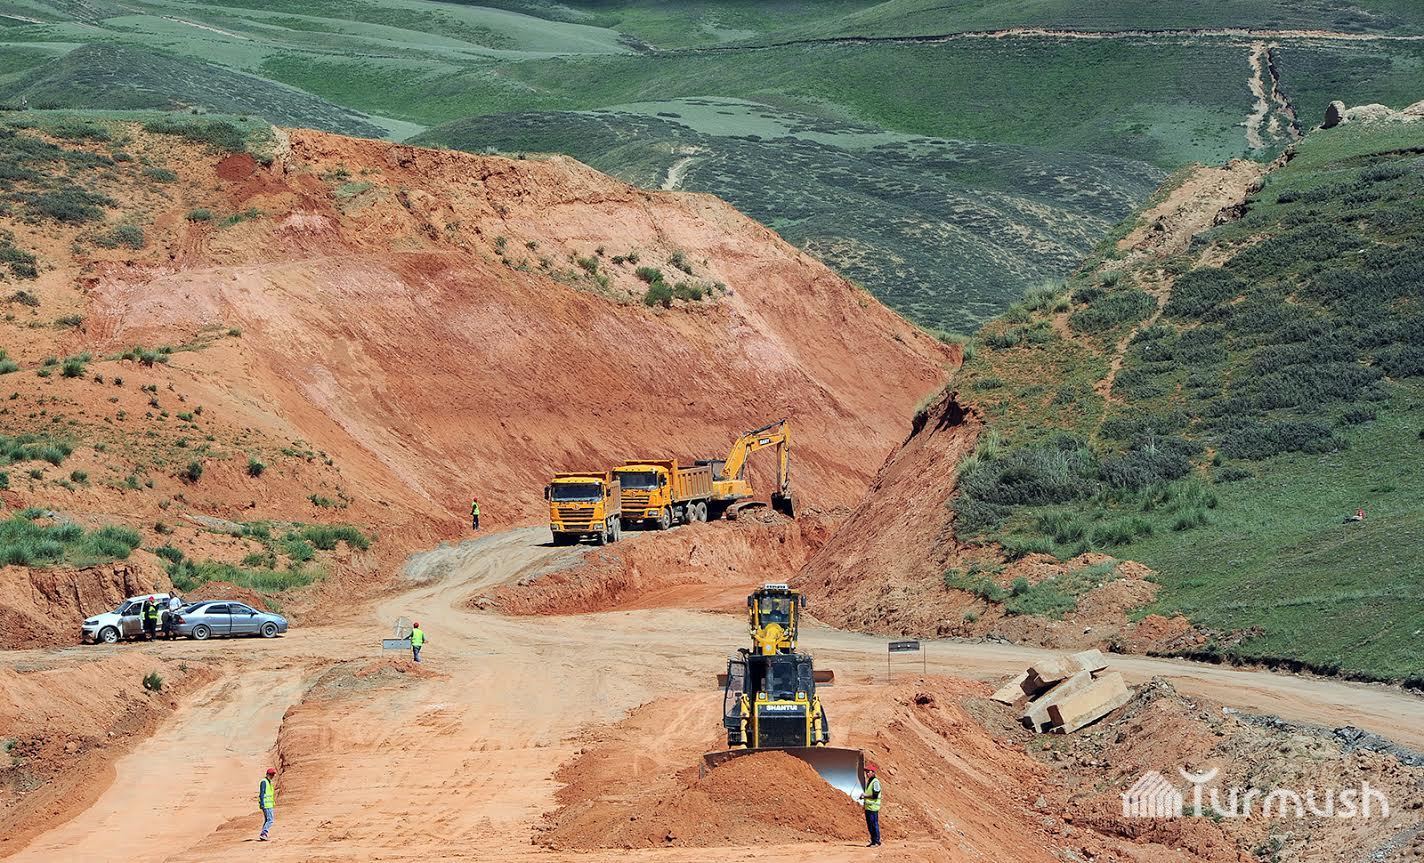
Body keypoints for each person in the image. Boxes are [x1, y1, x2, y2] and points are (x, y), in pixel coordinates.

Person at [860, 762, 882, 847]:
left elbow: (875, 795)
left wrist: (865, 795)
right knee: (870, 825)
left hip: (873, 807)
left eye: (868, 772)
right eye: (866, 772)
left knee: (874, 825)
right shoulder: (869, 782)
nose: (867, 773)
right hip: (868, 807)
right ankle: (873, 841)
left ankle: (877, 841)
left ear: (873, 772)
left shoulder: (875, 782)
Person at [258, 767, 276, 841]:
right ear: (267, 774)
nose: (272, 776)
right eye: (271, 774)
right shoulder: (264, 782)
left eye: (273, 774)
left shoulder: (269, 782)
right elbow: (262, 793)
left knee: (267, 820)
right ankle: (264, 834)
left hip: (269, 804)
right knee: (270, 820)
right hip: (266, 804)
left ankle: (263, 834)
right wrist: (262, 803)